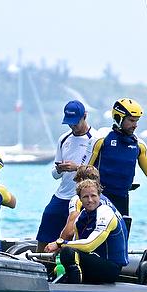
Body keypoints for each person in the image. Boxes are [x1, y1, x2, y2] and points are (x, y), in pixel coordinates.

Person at [87, 98, 147, 217]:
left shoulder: (139, 146)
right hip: (97, 198)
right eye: (131, 120)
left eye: (137, 121)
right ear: (119, 118)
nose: (135, 125)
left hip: (122, 200)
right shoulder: (101, 140)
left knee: (121, 235)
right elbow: (84, 172)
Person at [35, 100, 98, 251]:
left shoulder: (96, 139)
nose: (73, 126)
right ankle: (39, 261)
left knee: (71, 232)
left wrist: (76, 168)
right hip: (62, 195)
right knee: (47, 223)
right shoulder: (64, 139)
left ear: (85, 116)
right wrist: (61, 169)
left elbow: (97, 172)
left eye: (76, 122)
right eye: (69, 123)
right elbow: (55, 175)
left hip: (82, 196)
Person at [45, 179, 128, 284]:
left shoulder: (106, 213)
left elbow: (89, 245)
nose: (90, 200)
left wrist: (60, 243)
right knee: (62, 260)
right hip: (93, 262)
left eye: (93, 196)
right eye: (85, 197)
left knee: (68, 252)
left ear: (99, 196)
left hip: (110, 268)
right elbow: (78, 244)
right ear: (80, 199)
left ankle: (74, 290)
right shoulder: (82, 216)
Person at [59, 165, 121, 241]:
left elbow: (69, 232)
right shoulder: (104, 199)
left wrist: (58, 245)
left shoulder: (77, 199)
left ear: (80, 180)